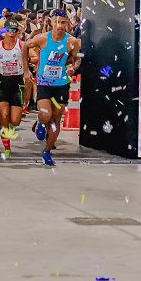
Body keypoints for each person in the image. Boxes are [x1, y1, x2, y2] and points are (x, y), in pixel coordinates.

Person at [28, 9, 82, 166]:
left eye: (63, 23)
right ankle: (40, 122)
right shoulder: (43, 38)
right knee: (46, 114)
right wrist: (26, 70)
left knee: (55, 120)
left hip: (61, 84)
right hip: (44, 83)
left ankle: (47, 151)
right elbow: (25, 46)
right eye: (57, 22)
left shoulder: (71, 41)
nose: (60, 26)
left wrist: (72, 68)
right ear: (51, 22)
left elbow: (76, 58)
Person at [0, 19, 29, 160]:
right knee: (4, 114)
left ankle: (7, 129)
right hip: (2, 82)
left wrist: (27, 71)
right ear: (4, 31)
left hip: (17, 82)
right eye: (9, 30)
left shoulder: (21, 45)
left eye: (14, 30)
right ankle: (7, 147)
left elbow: (28, 59)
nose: (11, 33)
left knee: (15, 121)